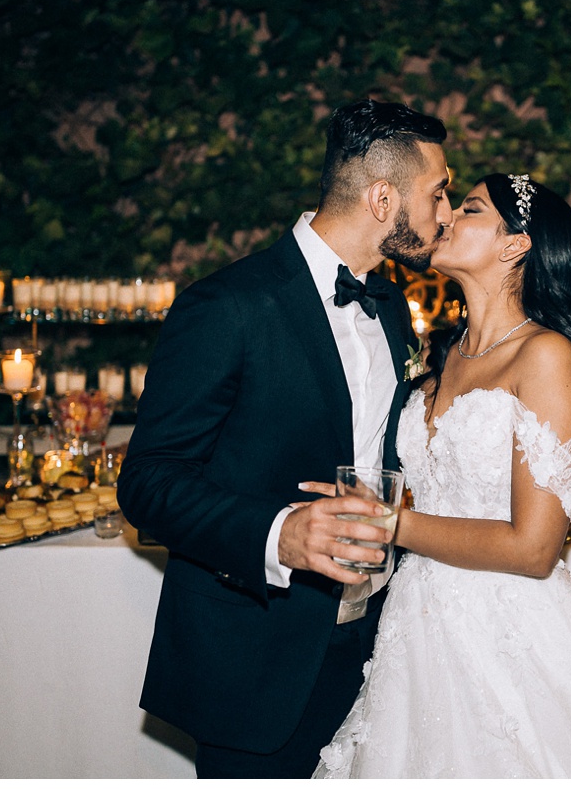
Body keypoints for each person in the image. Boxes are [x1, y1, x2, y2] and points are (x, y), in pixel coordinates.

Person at [310, 173, 571, 778]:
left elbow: (534, 547)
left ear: (514, 245)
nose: (444, 216)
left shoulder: (546, 356)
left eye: (470, 208)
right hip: (416, 628)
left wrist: (392, 523)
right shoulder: (439, 358)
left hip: (510, 634)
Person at [117, 98, 452, 778]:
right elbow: (148, 481)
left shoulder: (389, 305)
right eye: (438, 192)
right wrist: (280, 536)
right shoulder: (227, 306)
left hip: (379, 647)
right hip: (259, 652)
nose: (445, 213)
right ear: (384, 198)